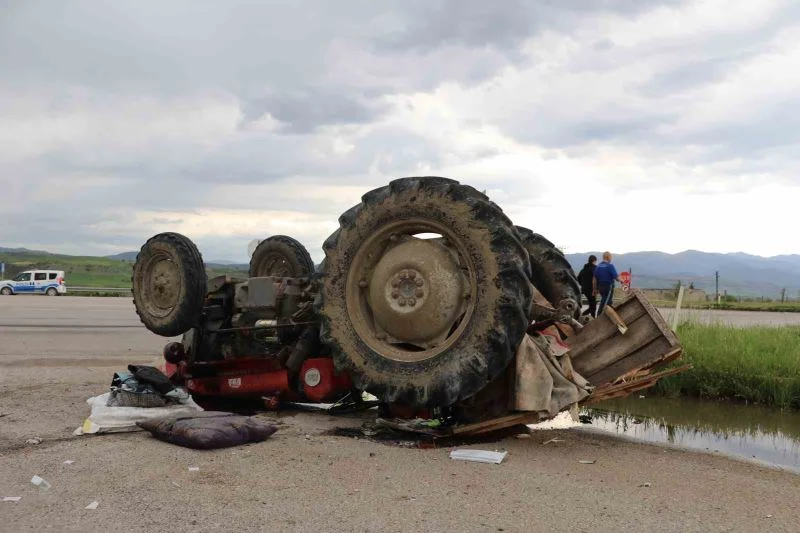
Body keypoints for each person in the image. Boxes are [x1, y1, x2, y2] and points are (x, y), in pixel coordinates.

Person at [594, 251, 622, 316]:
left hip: (601, 286)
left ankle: (603, 315)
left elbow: (595, 279)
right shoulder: (610, 266)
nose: (611, 259)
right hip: (608, 286)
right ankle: (600, 316)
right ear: (608, 257)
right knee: (607, 302)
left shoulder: (598, 267)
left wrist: (595, 289)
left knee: (605, 300)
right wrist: (622, 281)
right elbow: (616, 277)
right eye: (611, 257)